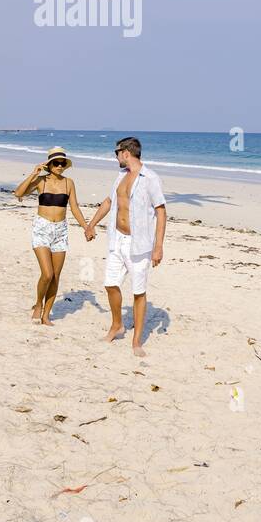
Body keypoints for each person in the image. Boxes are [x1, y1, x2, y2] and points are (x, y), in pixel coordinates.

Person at [85, 136, 166, 357]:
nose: (116, 157)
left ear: (126, 153)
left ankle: (136, 340)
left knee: (138, 292)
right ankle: (117, 325)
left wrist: (158, 247)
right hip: (117, 239)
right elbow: (110, 202)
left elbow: (161, 211)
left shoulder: (150, 178)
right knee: (110, 284)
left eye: (116, 153)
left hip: (138, 244)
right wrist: (91, 224)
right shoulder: (120, 176)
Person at [13, 147, 91, 326]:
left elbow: (75, 207)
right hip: (42, 228)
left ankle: (47, 314)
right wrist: (34, 174)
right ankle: (38, 304)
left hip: (61, 231)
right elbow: (19, 193)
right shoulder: (41, 181)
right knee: (47, 274)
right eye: (56, 163)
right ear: (49, 164)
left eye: (62, 163)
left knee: (56, 276)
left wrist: (86, 227)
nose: (60, 166)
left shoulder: (69, 183)